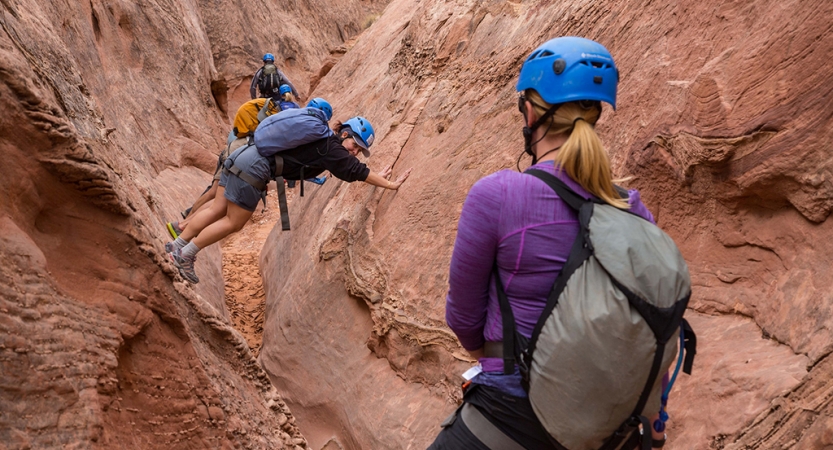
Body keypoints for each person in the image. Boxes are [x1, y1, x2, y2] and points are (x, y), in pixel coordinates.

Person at [429, 37, 668, 449]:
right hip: (608, 428)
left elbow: (463, 318)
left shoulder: (497, 195)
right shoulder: (631, 207)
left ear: (529, 110)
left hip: (509, 417)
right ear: (595, 114)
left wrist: (501, 361)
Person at [166, 109, 411, 283]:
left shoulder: (323, 139)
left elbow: (354, 169)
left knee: (217, 208)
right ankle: (185, 255)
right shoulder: (332, 148)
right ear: (345, 134)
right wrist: (388, 184)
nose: (355, 151)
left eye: (359, 149)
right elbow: (358, 171)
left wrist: (377, 175)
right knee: (233, 222)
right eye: (355, 145)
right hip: (256, 167)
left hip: (245, 155)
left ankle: (176, 245)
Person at [165, 95, 285, 238]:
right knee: (217, 198)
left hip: (234, 147)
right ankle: (183, 225)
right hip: (239, 150)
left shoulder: (264, 107)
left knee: (214, 194)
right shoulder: (271, 112)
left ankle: (184, 224)